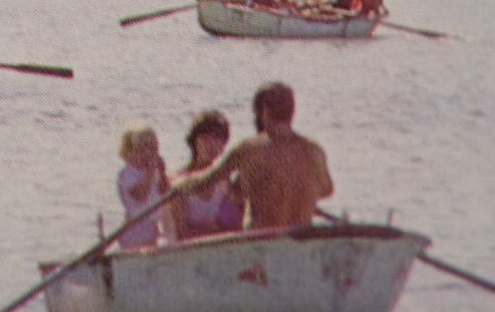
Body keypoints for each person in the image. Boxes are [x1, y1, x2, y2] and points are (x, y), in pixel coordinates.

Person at [173, 81, 333, 230]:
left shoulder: (249, 149)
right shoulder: (315, 150)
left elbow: (204, 182)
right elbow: (326, 190)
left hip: (259, 239)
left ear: (264, 112)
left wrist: (177, 183)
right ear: (293, 112)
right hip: (301, 239)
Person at [168, 110, 245, 242]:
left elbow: (236, 225)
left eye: (217, 139)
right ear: (194, 141)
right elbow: (181, 233)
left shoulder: (224, 180)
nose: (212, 145)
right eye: (206, 138)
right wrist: (213, 229)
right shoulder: (178, 182)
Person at [116, 124, 170, 250]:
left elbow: (165, 192)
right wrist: (150, 173)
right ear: (128, 153)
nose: (147, 154)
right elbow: (141, 196)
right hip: (135, 228)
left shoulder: (152, 171)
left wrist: (162, 173)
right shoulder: (128, 174)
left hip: (153, 224)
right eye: (141, 150)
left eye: (152, 149)